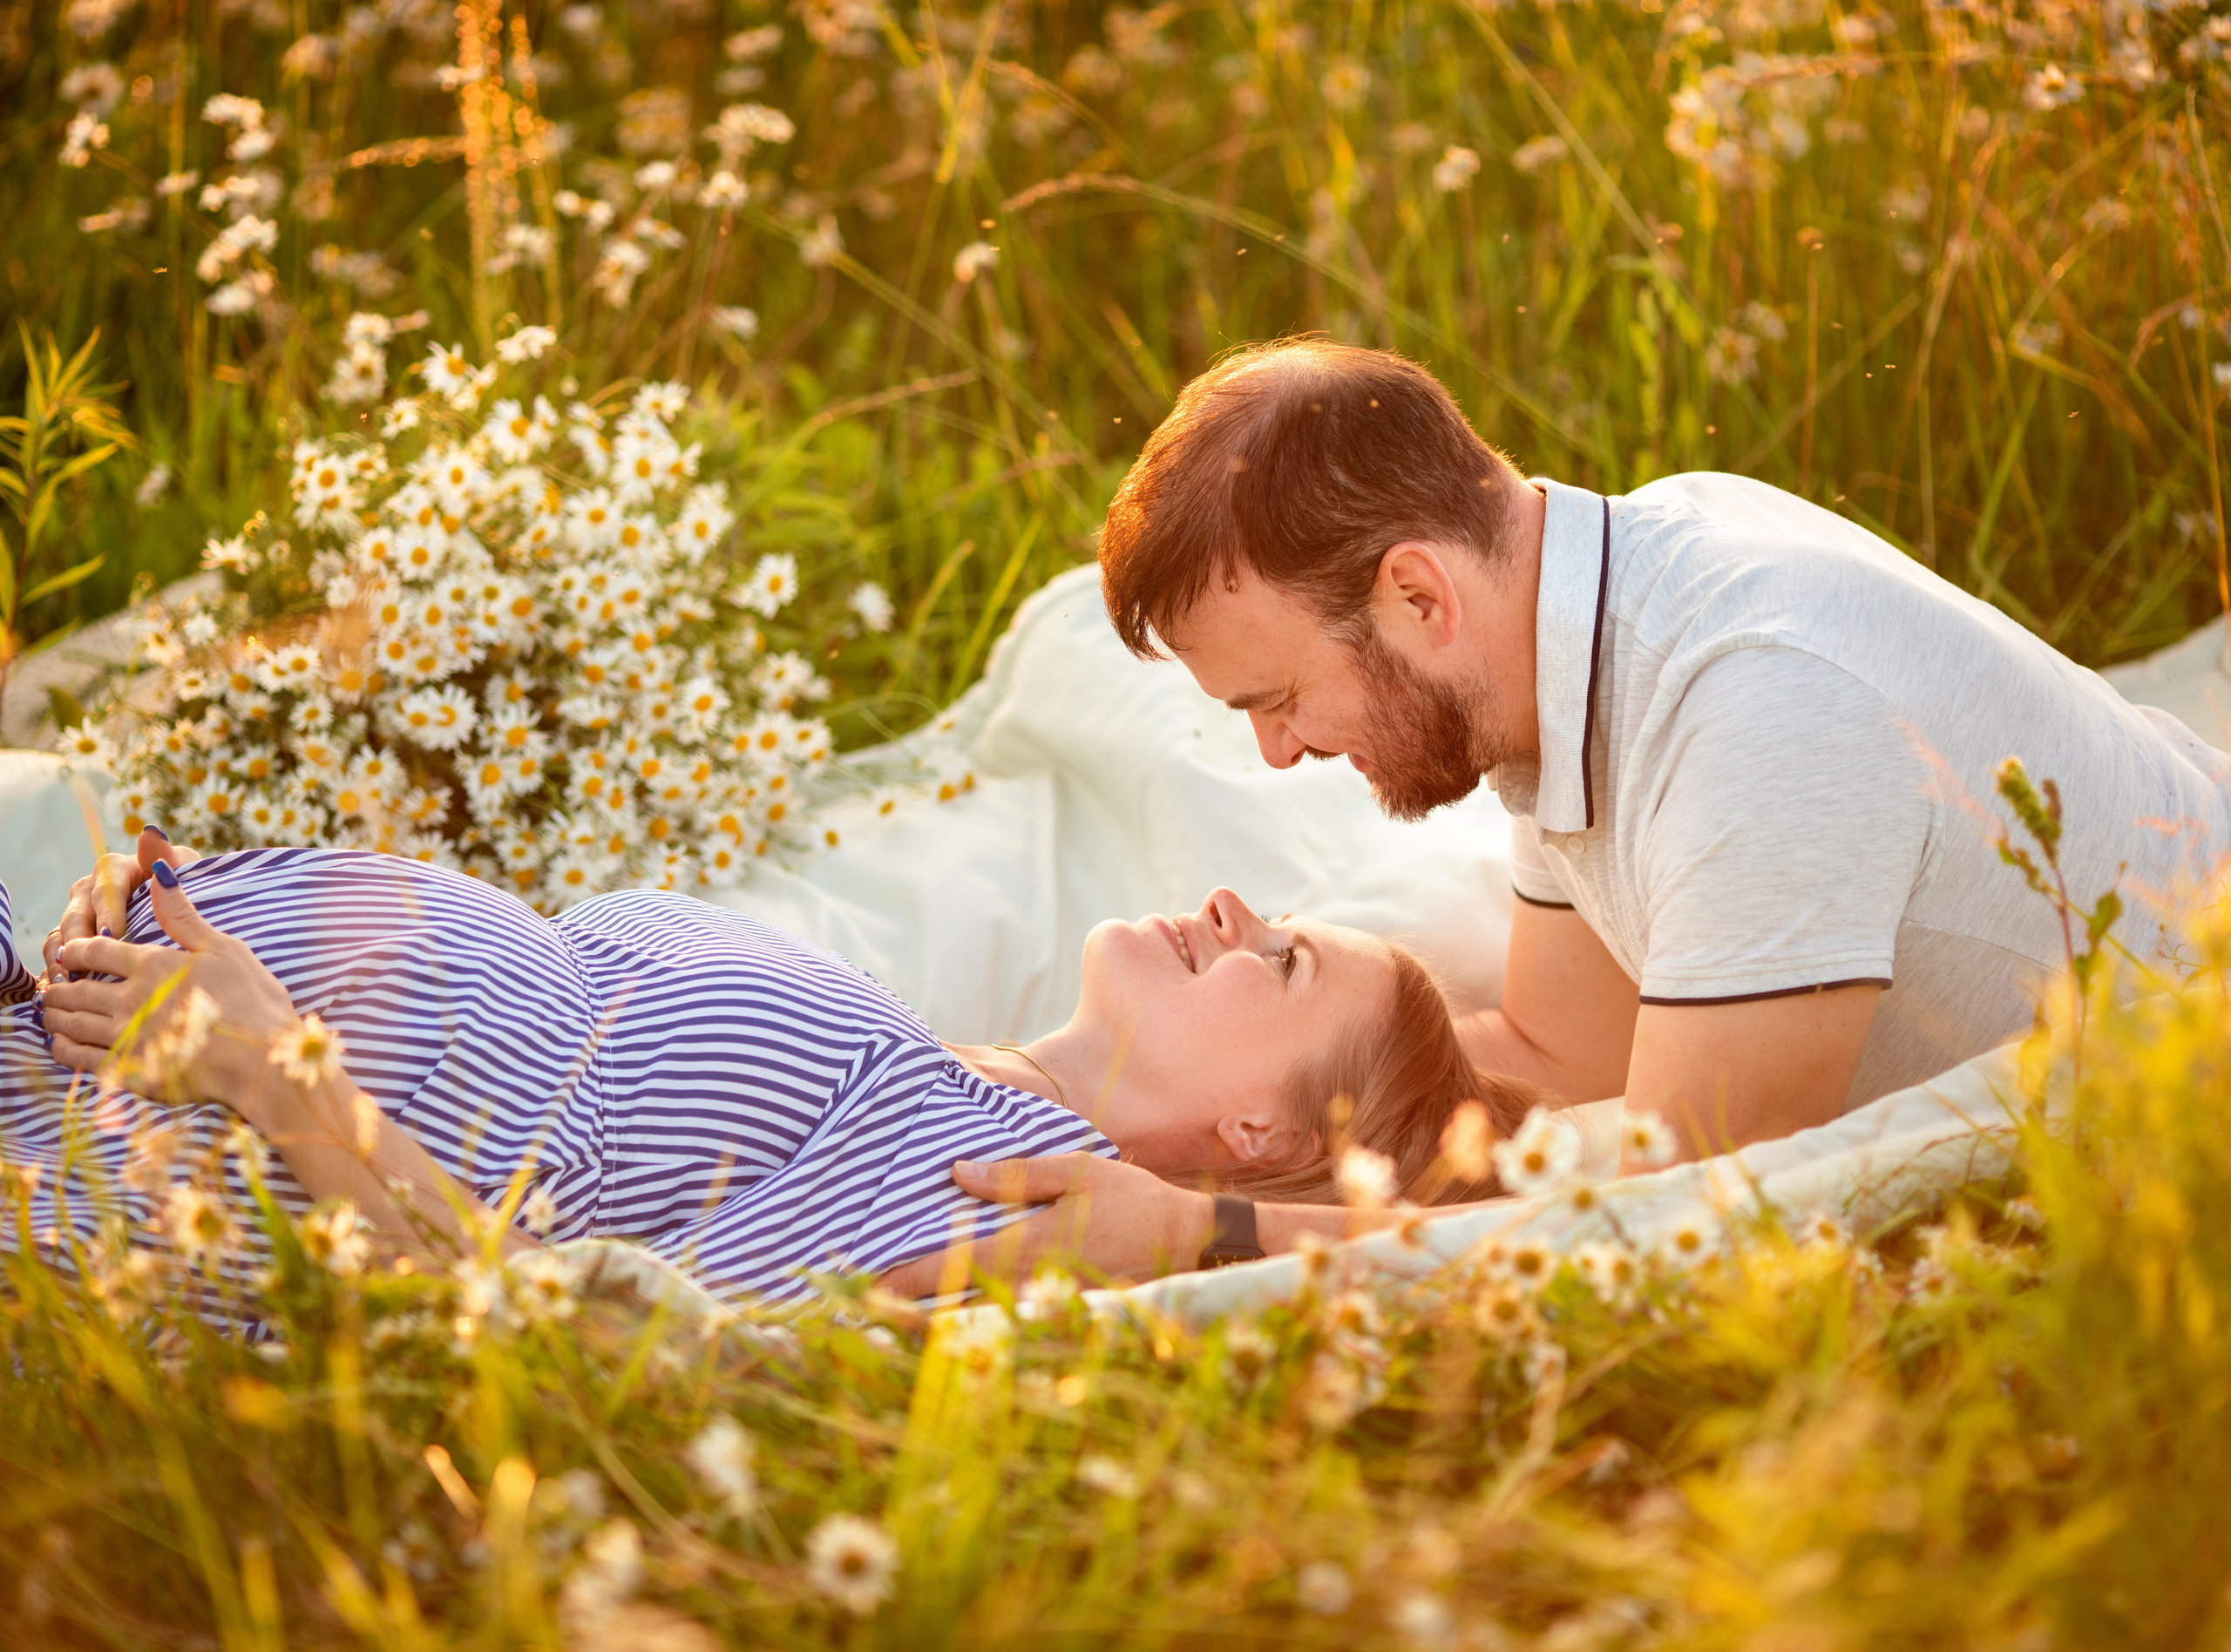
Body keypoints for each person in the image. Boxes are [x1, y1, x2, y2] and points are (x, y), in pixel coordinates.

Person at [934, 336, 2231, 1286]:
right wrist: (1119, 1093)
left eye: (1279, 698)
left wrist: (1208, 1231)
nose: (1278, 754)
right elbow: (1562, 1052)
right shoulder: (1589, 629)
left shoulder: (1758, 717)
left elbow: (1681, 1235)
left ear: (1418, 597)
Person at [22, 829, 1534, 1300]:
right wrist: (171, 896)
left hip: (120, 1168)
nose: (1234, 908)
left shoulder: (1007, 1193)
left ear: (1268, 1133)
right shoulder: (928, 1054)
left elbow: (579, 1330)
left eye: (1286, 960)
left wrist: (273, 1066)